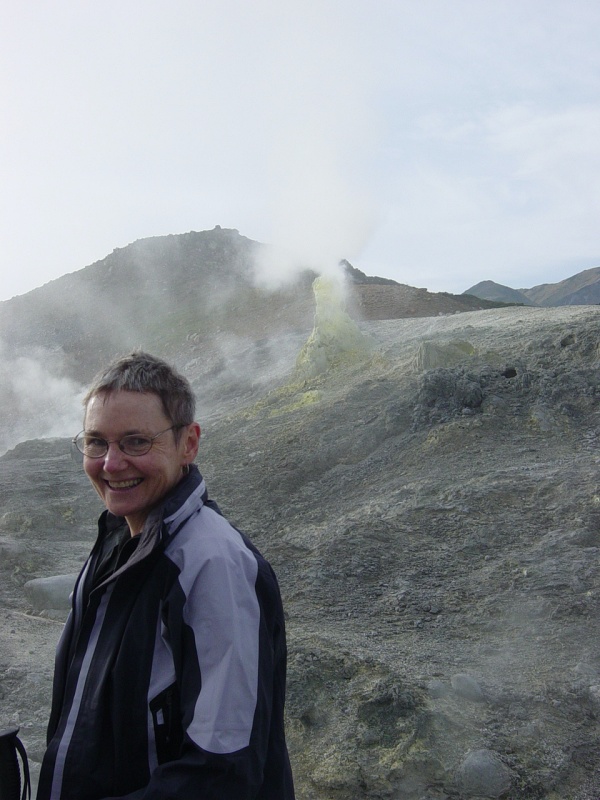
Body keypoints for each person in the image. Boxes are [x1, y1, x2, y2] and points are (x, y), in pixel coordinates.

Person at [36, 352, 295, 800]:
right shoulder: (119, 540)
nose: (111, 464)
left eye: (135, 442)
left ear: (188, 443)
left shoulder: (213, 564)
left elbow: (222, 773)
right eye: (96, 442)